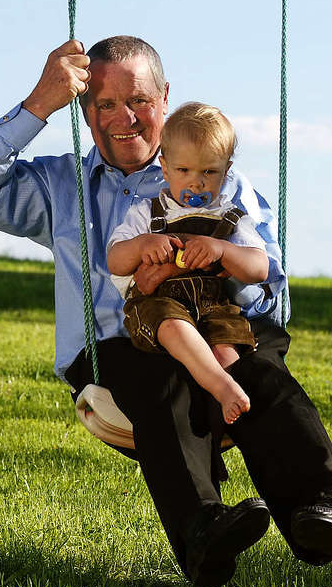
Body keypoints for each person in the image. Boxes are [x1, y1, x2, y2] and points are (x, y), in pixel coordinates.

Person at [0, 35, 332, 587]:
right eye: (103, 104)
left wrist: (206, 269)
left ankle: (327, 512)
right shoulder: (59, 185)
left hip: (222, 327)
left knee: (259, 371)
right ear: (84, 108)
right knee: (157, 378)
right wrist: (37, 106)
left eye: (139, 100)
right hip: (120, 349)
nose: (124, 118)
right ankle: (203, 531)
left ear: (165, 96)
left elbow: (270, 282)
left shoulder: (211, 173)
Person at [107, 102, 267, 424]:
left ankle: (223, 405)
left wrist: (223, 249)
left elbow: (258, 269)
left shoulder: (232, 217)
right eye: (184, 171)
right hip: (159, 307)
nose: (196, 184)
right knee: (172, 323)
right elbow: (115, 261)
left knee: (227, 351)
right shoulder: (147, 213)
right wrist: (141, 245)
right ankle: (222, 387)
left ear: (227, 169)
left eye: (209, 172)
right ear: (164, 169)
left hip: (212, 306)